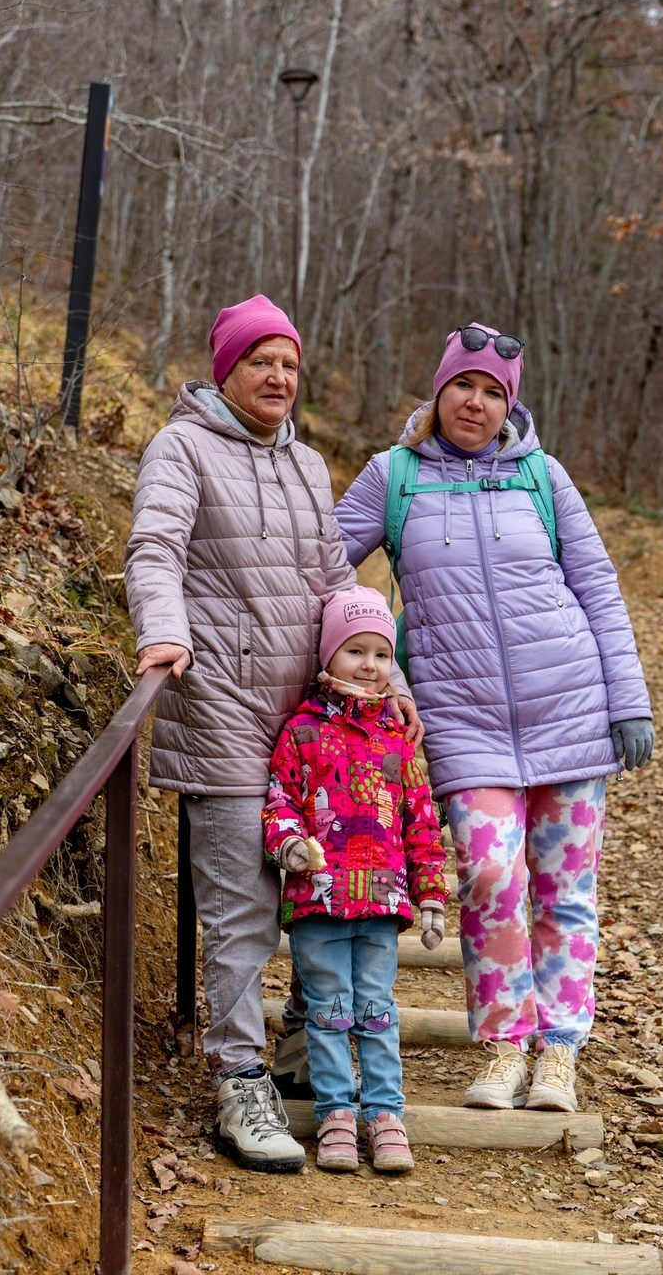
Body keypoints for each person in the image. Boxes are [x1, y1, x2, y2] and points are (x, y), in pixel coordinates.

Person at [123, 295, 420, 1173]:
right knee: (243, 911)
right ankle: (241, 1077)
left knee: (321, 897)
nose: (279, 378)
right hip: (219, 711)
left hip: (312, 732)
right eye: (261, 361)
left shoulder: (304, 463)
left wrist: (387, 681)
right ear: (227, 369)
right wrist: (161, 630)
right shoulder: (181, 447)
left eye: (289, 364)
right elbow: (155, 548)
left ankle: (297, 1046)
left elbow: (337, 581)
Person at [333, 323, 654, 1114]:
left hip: (569, 709)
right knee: (487, 874)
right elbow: (320, 573)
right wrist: (383, 659)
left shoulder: (543, 477)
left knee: (566, 892)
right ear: (438, 391)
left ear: (508, 403)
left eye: (491, 391)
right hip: (460, 719)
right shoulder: (394, 478)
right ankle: (505, 1044)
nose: (474, 402)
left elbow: (598, 589)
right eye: (462, 386)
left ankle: (559, 1053)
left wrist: (629, 699)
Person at [262, 586, 449, 1173]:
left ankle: (384, 1112)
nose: (369, 666)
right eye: (355, 651)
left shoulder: (396, 737)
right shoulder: (301, 732)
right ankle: (336, 1112)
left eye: (380, 654)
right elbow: (280, 802)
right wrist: (289, 844)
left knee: (376, 1007)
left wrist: (432, 895)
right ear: (328, 656)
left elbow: (420, 819)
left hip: (382, 903)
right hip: (319, 898)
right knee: (327, 1007)